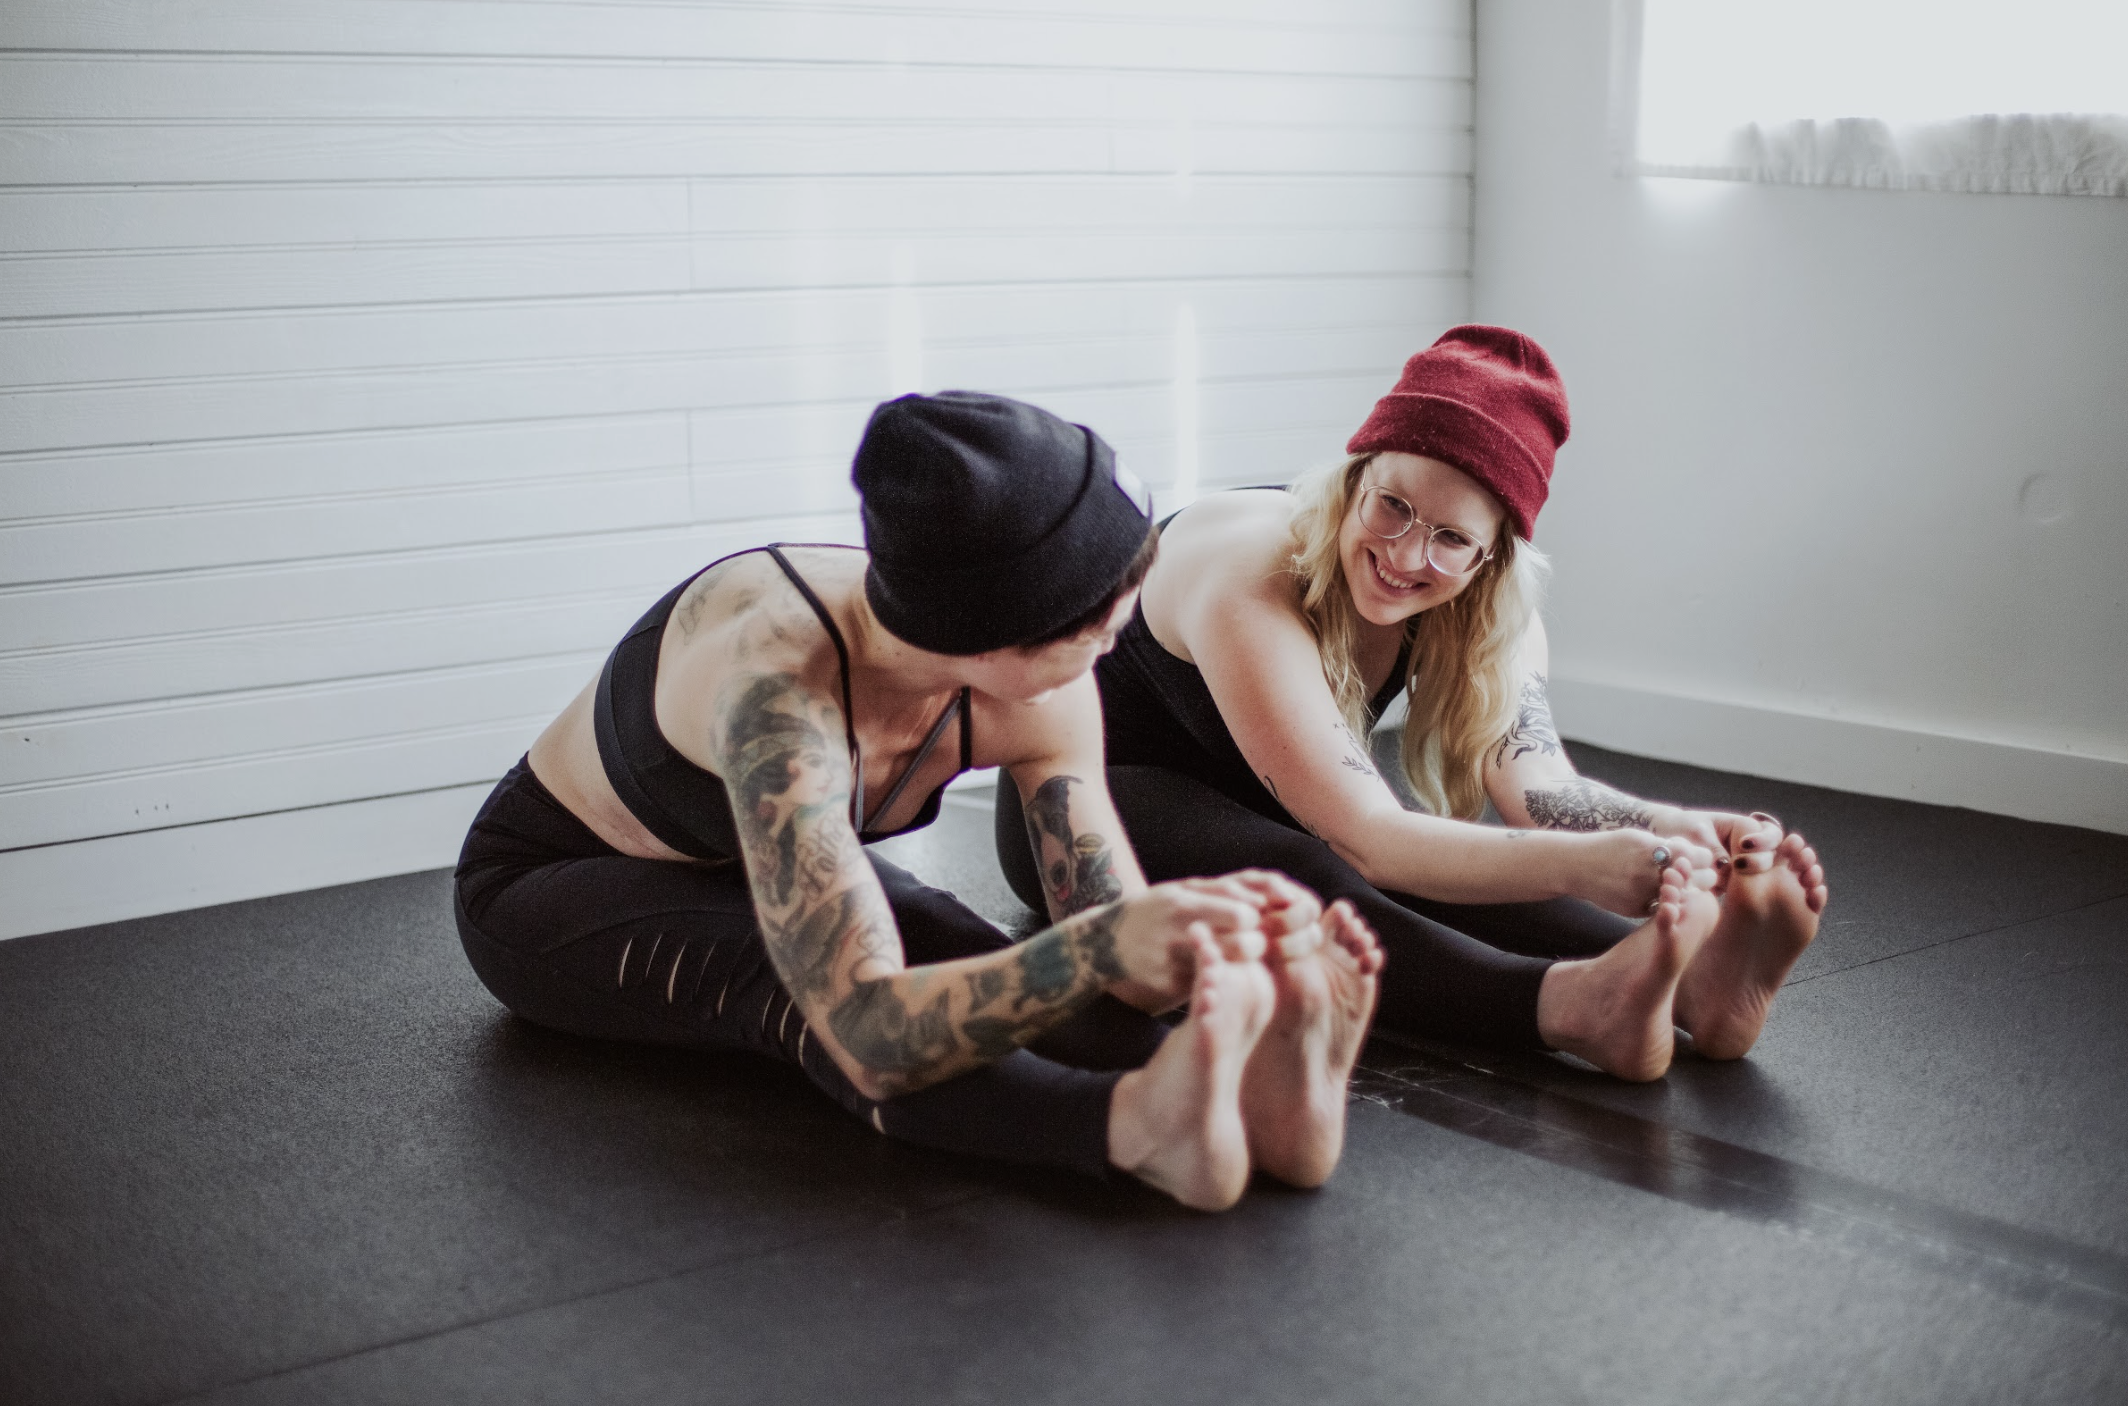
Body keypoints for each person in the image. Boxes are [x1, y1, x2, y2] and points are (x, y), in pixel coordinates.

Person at [454, 390, 1384, 1212]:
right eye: (1101, 612)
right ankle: (1135, 1128)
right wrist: (1098, 948)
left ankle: (1263, 1104)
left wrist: (1203, 942)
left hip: (749, 856)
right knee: (804, 998)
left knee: (964, 946)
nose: (1125, 624)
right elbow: (871, 1032)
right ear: (988, 641)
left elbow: (1110, 944)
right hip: (552, 881)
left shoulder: (1050, 683)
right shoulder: (776, 697)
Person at [995, 327, 1828, 1082]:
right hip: (1095, 806)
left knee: (1449, 858)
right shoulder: (1249, 564)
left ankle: (1697, 986)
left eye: (1451, 539)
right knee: (1317, 869)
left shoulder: (1491, 612)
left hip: (1294, 807)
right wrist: (1586, 865)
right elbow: (1371, 840)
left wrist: (1671, 830)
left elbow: (1541, 795)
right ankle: (1570, 1008)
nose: (1403, 554)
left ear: (1491, 557)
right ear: (1357, 474)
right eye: (1392, 505)